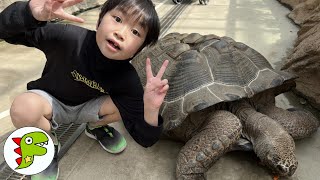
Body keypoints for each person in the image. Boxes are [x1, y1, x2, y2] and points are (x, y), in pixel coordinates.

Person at [0, 0, 169, 179]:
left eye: (136, 32)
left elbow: (145, 138)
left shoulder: (127, 78)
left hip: (86, 107)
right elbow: (6, 32)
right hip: (51, 102)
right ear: (99, 21)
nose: (121, 33)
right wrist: (30, 13)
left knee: (127, 105)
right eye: (118, 19)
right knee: (23, 108)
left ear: (137, 50)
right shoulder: (68, 37)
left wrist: (150, 109)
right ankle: (47, 140)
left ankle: (95, 127)